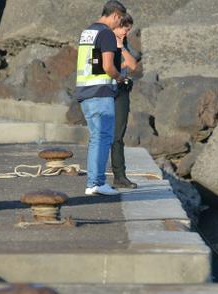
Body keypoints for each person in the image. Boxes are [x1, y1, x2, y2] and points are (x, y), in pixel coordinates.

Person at [75, 1, 128, 196]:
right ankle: (96, 182)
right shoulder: (106, 33)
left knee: (96, 138)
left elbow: (94, 62)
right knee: (103, 138)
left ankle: (93, 183)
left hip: (85, 92)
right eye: (120, 20)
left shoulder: (88, 32)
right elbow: (106, 66)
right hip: (100, 93)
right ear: (115, 15)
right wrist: (119, 77)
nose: (119, 24)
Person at [110, 14, 141, 189]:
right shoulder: (103, 39)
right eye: (124, 29)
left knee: (117, 135)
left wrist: (121, 46)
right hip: (104, 90)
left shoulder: (123, 42)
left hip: (121, 91)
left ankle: (119, 175)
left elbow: (132, 64)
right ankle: (95, 178)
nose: (125, 33)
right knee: (100, 137)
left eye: (128, 31)